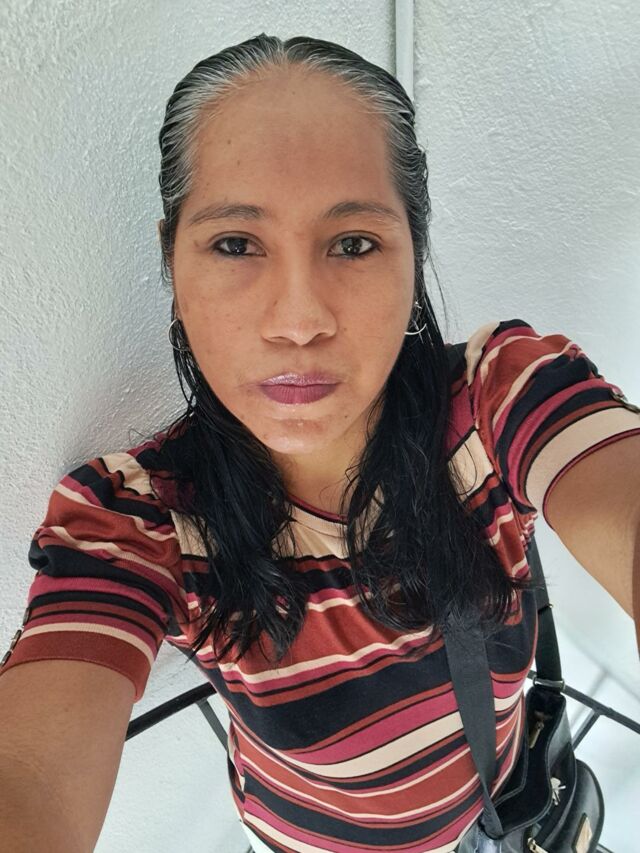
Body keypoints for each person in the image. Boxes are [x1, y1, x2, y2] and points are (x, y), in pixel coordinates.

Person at [1, 32, 639, 853]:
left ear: (413, 251)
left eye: (353, 243)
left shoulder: (498, 397)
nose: (299, 320)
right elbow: (30, 781)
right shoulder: (136, 520)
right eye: (236, 244)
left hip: (488, 807)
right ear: (172, 261)